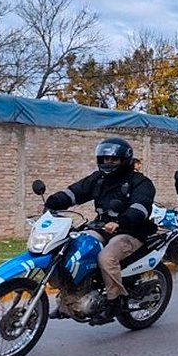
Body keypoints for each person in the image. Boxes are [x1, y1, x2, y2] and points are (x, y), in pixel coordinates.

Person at [44, 138, 156, 322]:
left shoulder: (140, 182)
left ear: (124, 160)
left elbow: (141, 207)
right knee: (73, 252)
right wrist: (52, 202)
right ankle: (67, 303)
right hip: (102, 227)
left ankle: (114, 301)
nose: (108, 163)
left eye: (113, 160)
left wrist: (121, 221)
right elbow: (75, 192)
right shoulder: (98, 179)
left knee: (107, 257)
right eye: (104, 159)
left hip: (131, 230)